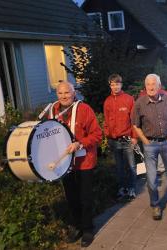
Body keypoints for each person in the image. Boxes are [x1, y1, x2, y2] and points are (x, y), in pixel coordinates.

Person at [49, 81, 102, 247]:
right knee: (71, 197)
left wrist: (80, 143)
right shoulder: (52, 110)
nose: (64, 96)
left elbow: (97, 135)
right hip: (65, 163)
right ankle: (77, 226)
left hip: (84, 161)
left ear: (73, 93)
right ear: (56, 94)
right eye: (60, 93)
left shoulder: (84, 109)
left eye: (67, 93)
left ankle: (87, 229)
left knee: (85, 198)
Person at [131, 73, 167, 220]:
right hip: (150, 144)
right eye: (148, 84)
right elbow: (135, 125)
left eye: (154, 84)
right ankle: (155, 204)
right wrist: (144, 140)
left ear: (159, 86)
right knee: (152, 178)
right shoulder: (139, 103)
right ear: (145, 86)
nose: (151, 87)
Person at [103, 74, 137, 199]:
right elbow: (106, 121)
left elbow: (134, 120)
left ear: (121, 84)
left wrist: (134, 137)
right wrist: (107, 135)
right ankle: (122, 188)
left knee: (131, 166)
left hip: (127, 139)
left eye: (117, 84)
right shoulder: (107, 101)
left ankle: (132, 188)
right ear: (110, 86)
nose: (115, 87)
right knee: (119, 167)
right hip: (114, 140)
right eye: (112, 84)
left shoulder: (128, 99)